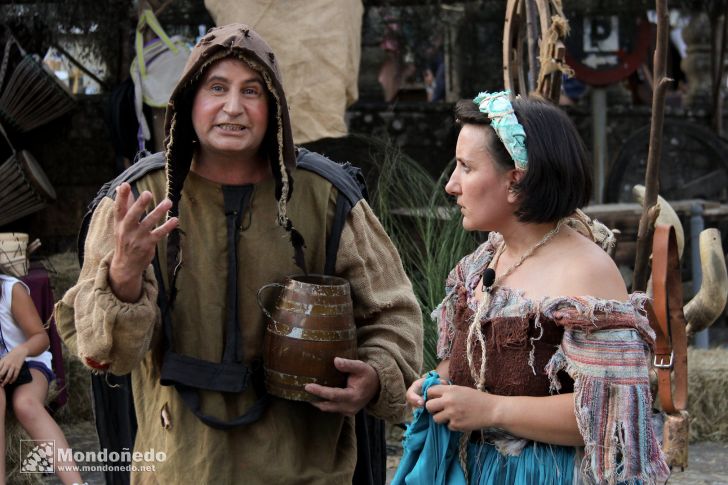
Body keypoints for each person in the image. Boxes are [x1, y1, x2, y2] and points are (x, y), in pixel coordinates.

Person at [55, 24, 423, 483]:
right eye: (217, 88)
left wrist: (372, 375)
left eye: (252, 90)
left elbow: (395, 315)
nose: (233, 107)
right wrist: (124, 273)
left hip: (305, 466)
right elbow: (103, 351)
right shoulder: (138, 197)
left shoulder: (327, 197)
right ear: (189, 100)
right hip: (181, 463)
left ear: (274, 108)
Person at [397, 92, 669, 484]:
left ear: (515, 180)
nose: (452, 186)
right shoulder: (480, 263)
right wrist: (438, 386)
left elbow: (614, 417)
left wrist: (492, 410)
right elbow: (472, 362)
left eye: (466, 167)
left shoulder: (585, 273)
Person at [0, 265, 83, 484]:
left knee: (25, 404)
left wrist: (20, 352)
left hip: (28, 362)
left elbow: (41, 338)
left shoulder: (11, 289)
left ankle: (75, 482)